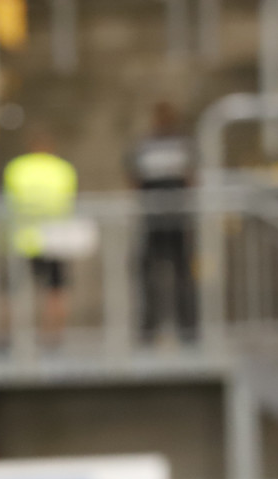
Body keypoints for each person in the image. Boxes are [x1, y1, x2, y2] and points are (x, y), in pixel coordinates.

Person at [126, 100, 197, 343]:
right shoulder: (147, 145)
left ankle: (186, 329)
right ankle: (152, 329)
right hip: (155, 221)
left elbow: (191, 178)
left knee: (181, 276)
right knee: (152, 277)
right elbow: (134, 178)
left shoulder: (180, 144)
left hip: (175, 221)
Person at [3, 128, 77, 345]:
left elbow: (10, 201)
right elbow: (68, 200)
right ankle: (53, 336)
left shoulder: (17, 167)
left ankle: (7, 336)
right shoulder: (63, 168)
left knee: (11, 290)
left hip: (22, 238)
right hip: (54, 238)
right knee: (55, 289)